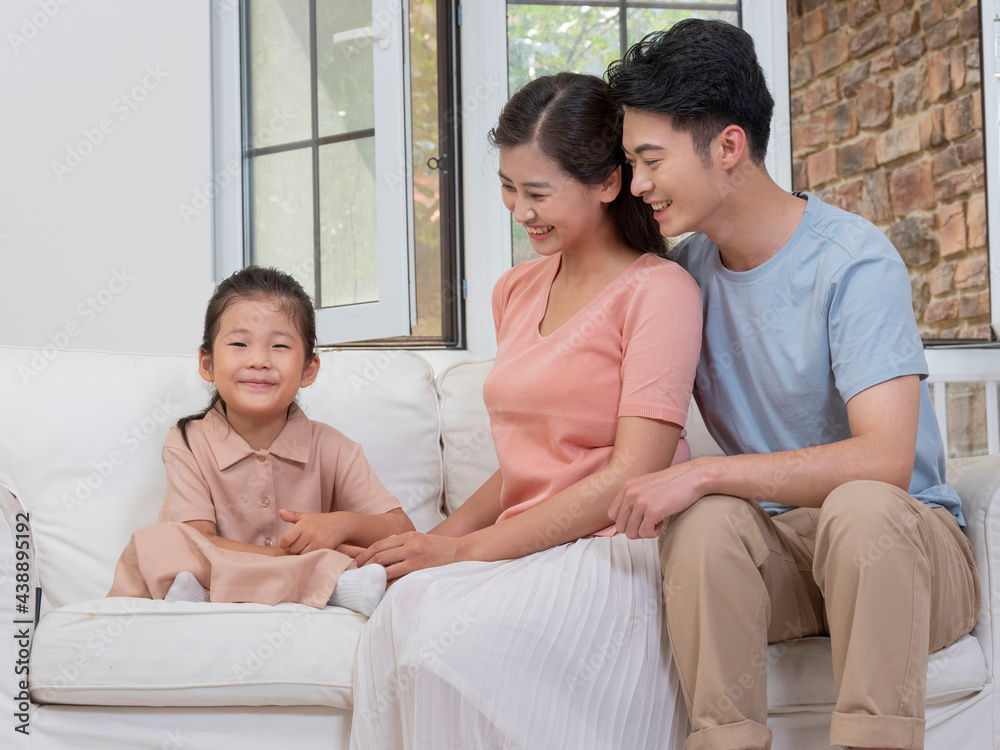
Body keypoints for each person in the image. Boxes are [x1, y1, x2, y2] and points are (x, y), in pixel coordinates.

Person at [605, 18, 981, 750]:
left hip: (909, 550)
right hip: (787, 553)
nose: (639, 184)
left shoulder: (853, 262)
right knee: (705, 523)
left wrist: (708, 472)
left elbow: (885, 461)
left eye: (650, 160)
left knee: (861, 508)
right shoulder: (683, 281)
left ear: (729, 146)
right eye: (630, 162)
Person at [348, 72, 701, 748]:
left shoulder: (660, 293)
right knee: (405, 609)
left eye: (537, 193)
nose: (520, 211)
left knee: (454, 645)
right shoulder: (515, 289)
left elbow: (634, 473)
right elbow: (525, 464)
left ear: (607, 183)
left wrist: (468, 551)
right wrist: (439, 542)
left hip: (614, 552)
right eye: (508, 188)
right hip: (526, 544)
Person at [107, 266, 414, 615]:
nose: (258, 361)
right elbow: (198, 539)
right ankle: (327, 584)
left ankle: (220, 593)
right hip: (229, 568)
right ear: (207, 363)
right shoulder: (187, 440)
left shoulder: (334, 447)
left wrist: (342, 524)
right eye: (239, 344)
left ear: (308, 370)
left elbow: (401, 529)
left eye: (280, 346)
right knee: (161, 543)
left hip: (238, 578)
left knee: (374, 555)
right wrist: (288, 560)